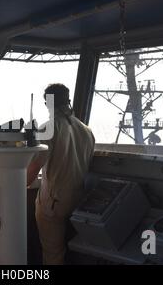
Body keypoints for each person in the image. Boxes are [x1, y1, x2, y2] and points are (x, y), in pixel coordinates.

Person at [27, 83, 95, 265]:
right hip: (78, 200)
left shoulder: (48, 128)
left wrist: (20, 182)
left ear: (47, 103)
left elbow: (34, 168)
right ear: (68, 100)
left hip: (54, 203)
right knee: (73, 251)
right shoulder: (86, 131)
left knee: (53, 254)